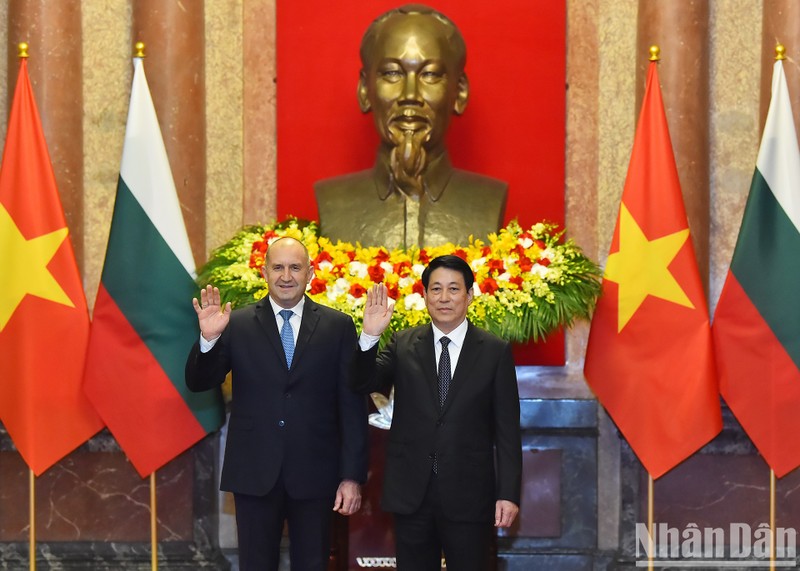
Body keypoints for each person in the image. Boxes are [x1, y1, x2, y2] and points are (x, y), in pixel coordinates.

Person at [185, 237, 368, 571]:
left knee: (313, 563)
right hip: (254, 471)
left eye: (295, 267)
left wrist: (351, 476)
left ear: (310, 273)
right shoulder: (236, 323)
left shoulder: (337, 326)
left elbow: (352, 405)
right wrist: (208, 340)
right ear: (264, 272)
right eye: (278, 267)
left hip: (316, 473)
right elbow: (200, 382)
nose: (286, 275)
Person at [351, 254, 522, 571]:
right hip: (411, 493)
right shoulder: (403, 344)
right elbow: (364, 383)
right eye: (436, 289)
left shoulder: (494, 351)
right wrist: (370, 336)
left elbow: (508, 430)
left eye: (454, 289)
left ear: (469, 295)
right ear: (425, 295)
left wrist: (509, 494)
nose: (444, 298)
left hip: (470, 495)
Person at [315, 4, 507, 249]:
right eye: (392, 73)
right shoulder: (333, 200)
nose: (410, 95)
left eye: (430, 75)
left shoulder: (488, 200)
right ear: (365, 90)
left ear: (459, 92)